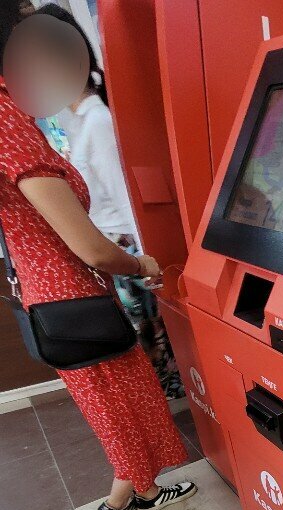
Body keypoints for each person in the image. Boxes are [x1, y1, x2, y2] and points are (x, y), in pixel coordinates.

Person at [0, 2, 196, 510]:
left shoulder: (35, 119)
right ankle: (144, 491)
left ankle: (123, 491)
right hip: (75, 290)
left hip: (50, 293)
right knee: (121, 396)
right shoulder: (9, 121)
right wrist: (139, 264)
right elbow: (88, 247)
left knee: (108, 398)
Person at [38, 3, 185, 399]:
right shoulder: (76, 124)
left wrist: (148, 257)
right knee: (145, 345)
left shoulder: (97, 122)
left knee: (149, 345)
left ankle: (168, 406)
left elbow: (125, 195)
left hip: (124, 250)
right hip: (112, 251)